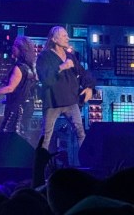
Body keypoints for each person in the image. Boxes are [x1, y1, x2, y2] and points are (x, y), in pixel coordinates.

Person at [36, 26, 95, 155]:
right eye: (64, 36)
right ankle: (39, 163)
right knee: (46, 137)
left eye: (67, 35)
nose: (67, 38)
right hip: (53, 103)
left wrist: (89, 87)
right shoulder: (44, 57)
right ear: (54, 39)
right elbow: (45, 79)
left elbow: (83, 73)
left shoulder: (70, 56)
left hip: (71, 101)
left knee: (80, 132)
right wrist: (61, 67)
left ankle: (85, 161)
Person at [0, 36, 37, 137]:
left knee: (6, 134)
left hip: (16, 108)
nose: (12, 47)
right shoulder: (30, 67)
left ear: (21, 49)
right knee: (19, 134)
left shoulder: (19, 68)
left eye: (15, 45)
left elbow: (11, 88)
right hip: (26, 106)